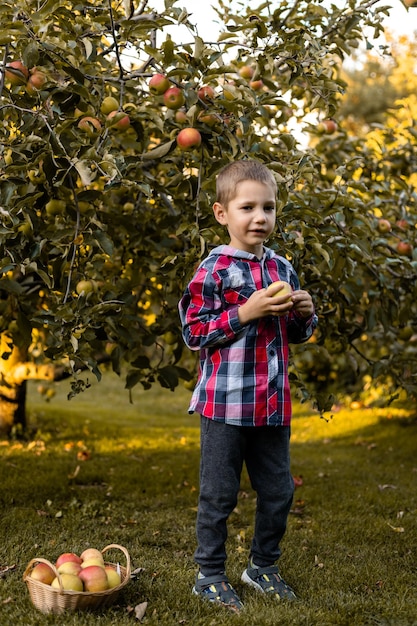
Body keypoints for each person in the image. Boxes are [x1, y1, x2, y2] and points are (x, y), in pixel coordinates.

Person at [178, 159, 318, 613]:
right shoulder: (214, 270)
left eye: (269, 207)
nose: (260, 217)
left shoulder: (282, 267)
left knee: (279, 491)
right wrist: (245, 313)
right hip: (225, 405)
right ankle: (210, 574)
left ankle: (262, 566)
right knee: (218, 494)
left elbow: (298, 334)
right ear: (223, 214)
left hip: (272, 405)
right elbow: (193, 332)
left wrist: (303, 314)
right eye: (247, 207)